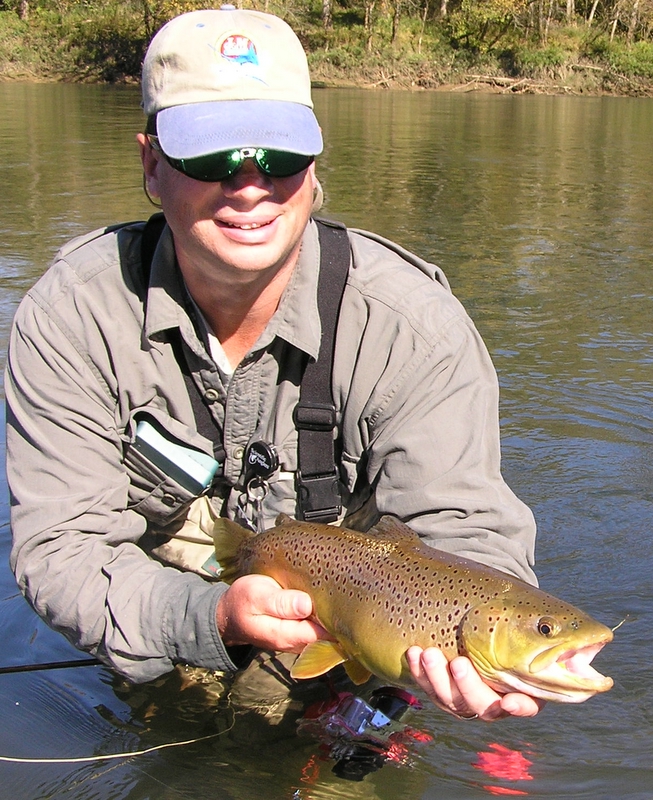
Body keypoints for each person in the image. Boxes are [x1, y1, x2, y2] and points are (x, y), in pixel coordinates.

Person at [5, 6, 542, 723]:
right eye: (211, 157)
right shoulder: (73, 317)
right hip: (165, 606)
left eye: (279, 155)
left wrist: (486, 640)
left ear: (313, 164)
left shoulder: (414, 328)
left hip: (367, 613)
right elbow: (62, 550)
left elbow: (464, 525)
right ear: (152, 165)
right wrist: (210, 620)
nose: (250, 185)